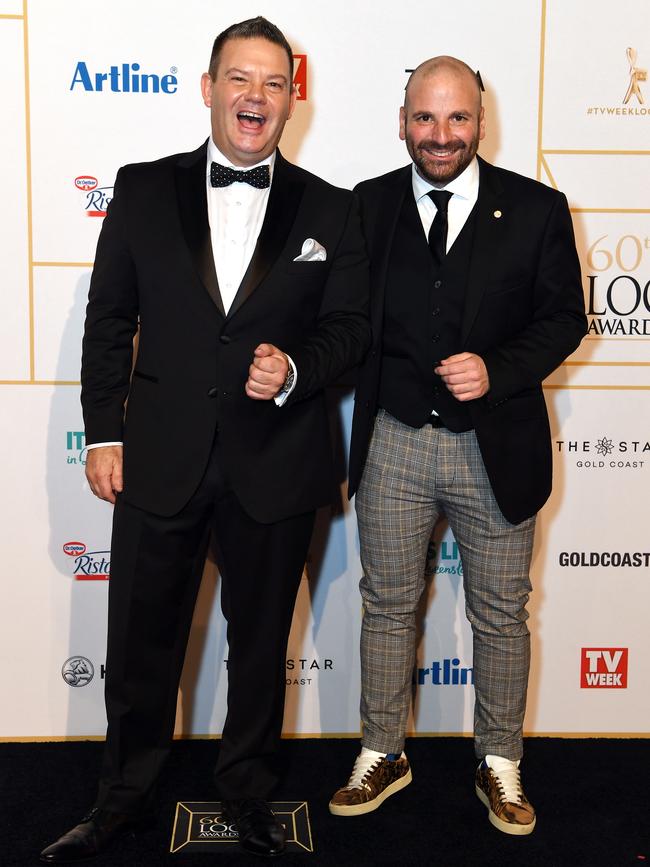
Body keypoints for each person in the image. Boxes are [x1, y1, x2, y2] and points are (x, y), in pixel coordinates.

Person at [41, 16, 369, 862]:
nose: (254, 97)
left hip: (278, 460)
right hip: (158, 456)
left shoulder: (333, 208)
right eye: (239, 78)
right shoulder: (144, 188)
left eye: (272, 82)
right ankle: (121, 802)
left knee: (260, 649)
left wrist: (296, 365)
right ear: (207, 87)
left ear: (293, 99)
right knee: (140, 644)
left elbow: (351, 331)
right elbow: (110, 320)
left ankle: (249, 796)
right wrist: (103, 434)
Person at [329, 55, 586, 835]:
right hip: (394, 440)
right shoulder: (364, 207)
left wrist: (498, 368)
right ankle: (383, 748)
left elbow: (565, 318)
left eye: (457, 118)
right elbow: (338, 317)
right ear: (402, 120)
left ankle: (499, 760)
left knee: (502, 614)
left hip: (494, 447)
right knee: (387, 606)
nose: (441, 136)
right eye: (424, 118)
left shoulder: (538, 210)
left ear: (483, 120)